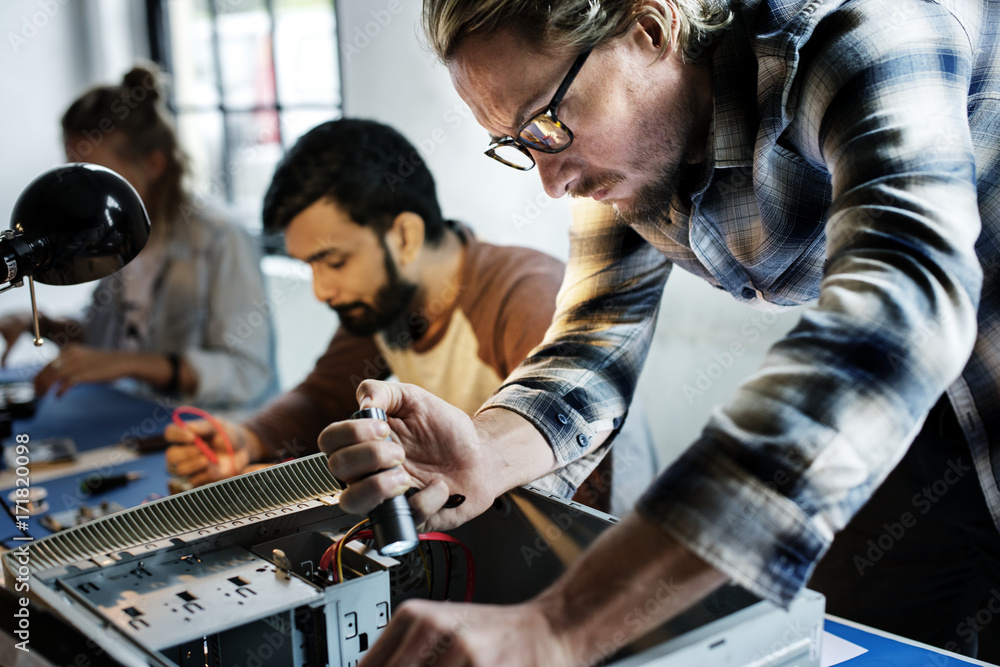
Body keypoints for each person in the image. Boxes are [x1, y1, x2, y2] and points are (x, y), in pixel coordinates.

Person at [317, 0, 1000, 664]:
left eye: (549, 121)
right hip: (926, 400)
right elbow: (593, 337)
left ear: (649, 26)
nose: (552, 181)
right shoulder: (630, 149)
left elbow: (897, 323)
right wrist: (487, 452)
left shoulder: (862, 28)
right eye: (519, 145)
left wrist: (561, 626)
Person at [164, 118, 657, 516]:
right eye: (309, 267)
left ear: (403, 236)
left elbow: (583, 488)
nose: (321, 289)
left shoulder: (524, 300)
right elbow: (321, 397)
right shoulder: (389, 304)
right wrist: (248, 437)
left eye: (333, 261)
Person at [0, 64, 278, 410]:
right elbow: (106, 341)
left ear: (154, 164)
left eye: (99, 177)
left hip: (209, 430)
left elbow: (246, 373)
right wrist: (38, 322)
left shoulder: (220, 238)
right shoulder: (109, 231)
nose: (82, 197)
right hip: (127, 416)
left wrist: (126, 365)